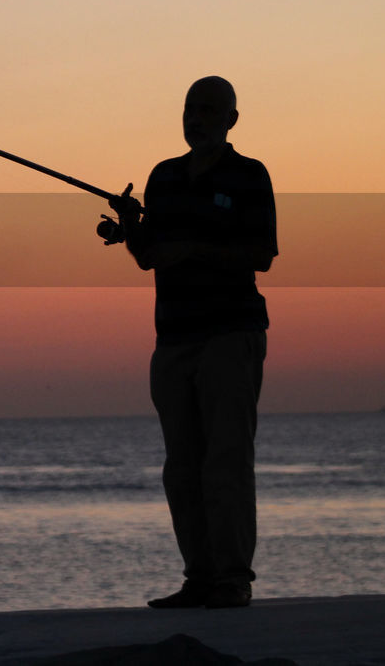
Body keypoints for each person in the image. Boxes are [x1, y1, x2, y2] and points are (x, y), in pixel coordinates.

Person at [111, 75, 277, 609]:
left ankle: (232, 580)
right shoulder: (163, 177)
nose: (196, 118)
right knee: (182, 466)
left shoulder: (249, 175)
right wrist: (132, 229)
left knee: (226, 460)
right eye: (189, 109)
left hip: (232, 332)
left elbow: (262, 255)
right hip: (174, 337)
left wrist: (194, 248)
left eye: (208, 109)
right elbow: (149, 255)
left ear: (231, 119)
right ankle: (199, 578)